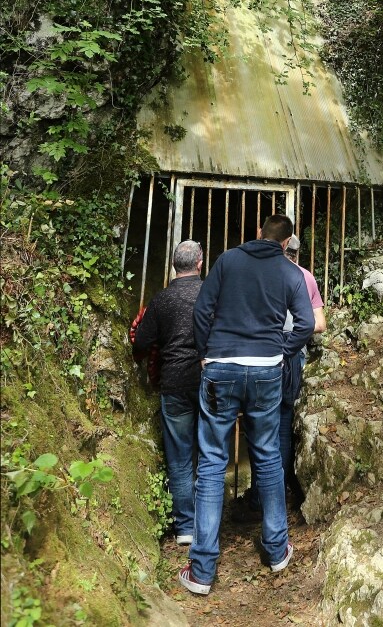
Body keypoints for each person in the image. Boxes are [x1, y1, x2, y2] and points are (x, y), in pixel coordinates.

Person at [179, 215, 315, 596]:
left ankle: (202, 570)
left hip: (221, 365)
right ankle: (276, 550)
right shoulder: (290, 274)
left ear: (259, 232)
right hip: (266, 371)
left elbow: (202, 311)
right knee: (268, 456)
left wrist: (208, 353)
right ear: (286, 242)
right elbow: (304, 323)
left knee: (211, 461)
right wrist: (281, 351)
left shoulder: (227, 260)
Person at [235, 233, 325, 521]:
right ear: (298, 252)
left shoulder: (258, 272)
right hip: (291, 356)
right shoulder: (306, 278)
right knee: (283, 426)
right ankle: (274, 497)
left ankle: (258, 497)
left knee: (259, 425)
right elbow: (319, 324)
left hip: (259, 353)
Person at [131, 240, 203, 546]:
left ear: (175, 265)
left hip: (174, 383)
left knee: (179, 457)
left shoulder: (161, 300)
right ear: (200, 263)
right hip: (209, 381)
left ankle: (185, 527)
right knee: (211, 454)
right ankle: (209, 522)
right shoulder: (212, 294)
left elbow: (141, 343)